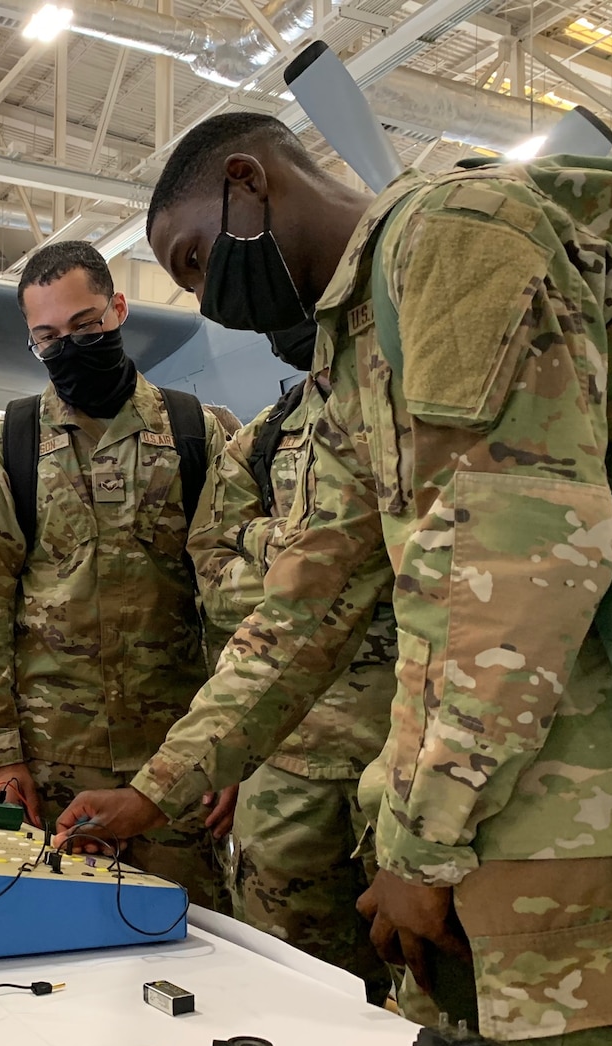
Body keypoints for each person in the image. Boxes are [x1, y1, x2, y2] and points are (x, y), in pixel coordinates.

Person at [55, 112, 612, 1046]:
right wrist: (160, 791)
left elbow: (525, 571)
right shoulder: (354, 343)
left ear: (251, 178)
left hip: (607, 838)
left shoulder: (453, 236)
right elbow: (300, 611)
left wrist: (424, 844)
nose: (203, 296)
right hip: (510, 830)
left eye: (196, 259)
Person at [0, 241, 231, 911]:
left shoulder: (196, 433)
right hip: (47, 771)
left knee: (188, 951)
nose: (68, 347)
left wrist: (230, 753)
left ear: (119, 309)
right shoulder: (10, 445)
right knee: (48, 948)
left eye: (85, 327)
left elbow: (233, 605)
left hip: (174, 770)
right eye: (47, 337)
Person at [191, 320, 396, 1002]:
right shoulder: (265, 436)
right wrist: (314, 566)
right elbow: (214, 581)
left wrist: (275, 550)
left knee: (439, 997)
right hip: (285, 760)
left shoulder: (418, 408)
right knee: (287, 987)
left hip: (403, 757)